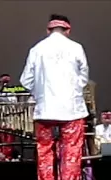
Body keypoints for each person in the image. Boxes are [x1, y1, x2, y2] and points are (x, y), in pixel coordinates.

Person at [20, 14, 89, 180]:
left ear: (48, 30)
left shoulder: (37, 49)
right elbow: (84, 77)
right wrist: (73, 90)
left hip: (45, 110)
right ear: (68, 30)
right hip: (71, 109)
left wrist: (40, 94)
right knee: (71, 151)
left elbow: (25, 80)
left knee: (44, 152)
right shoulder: (76, 47)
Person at [0, 74, 17, 161]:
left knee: (9, 138)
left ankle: (8, 156)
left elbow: (14, 104)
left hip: (8, 118)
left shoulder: (12, 91)